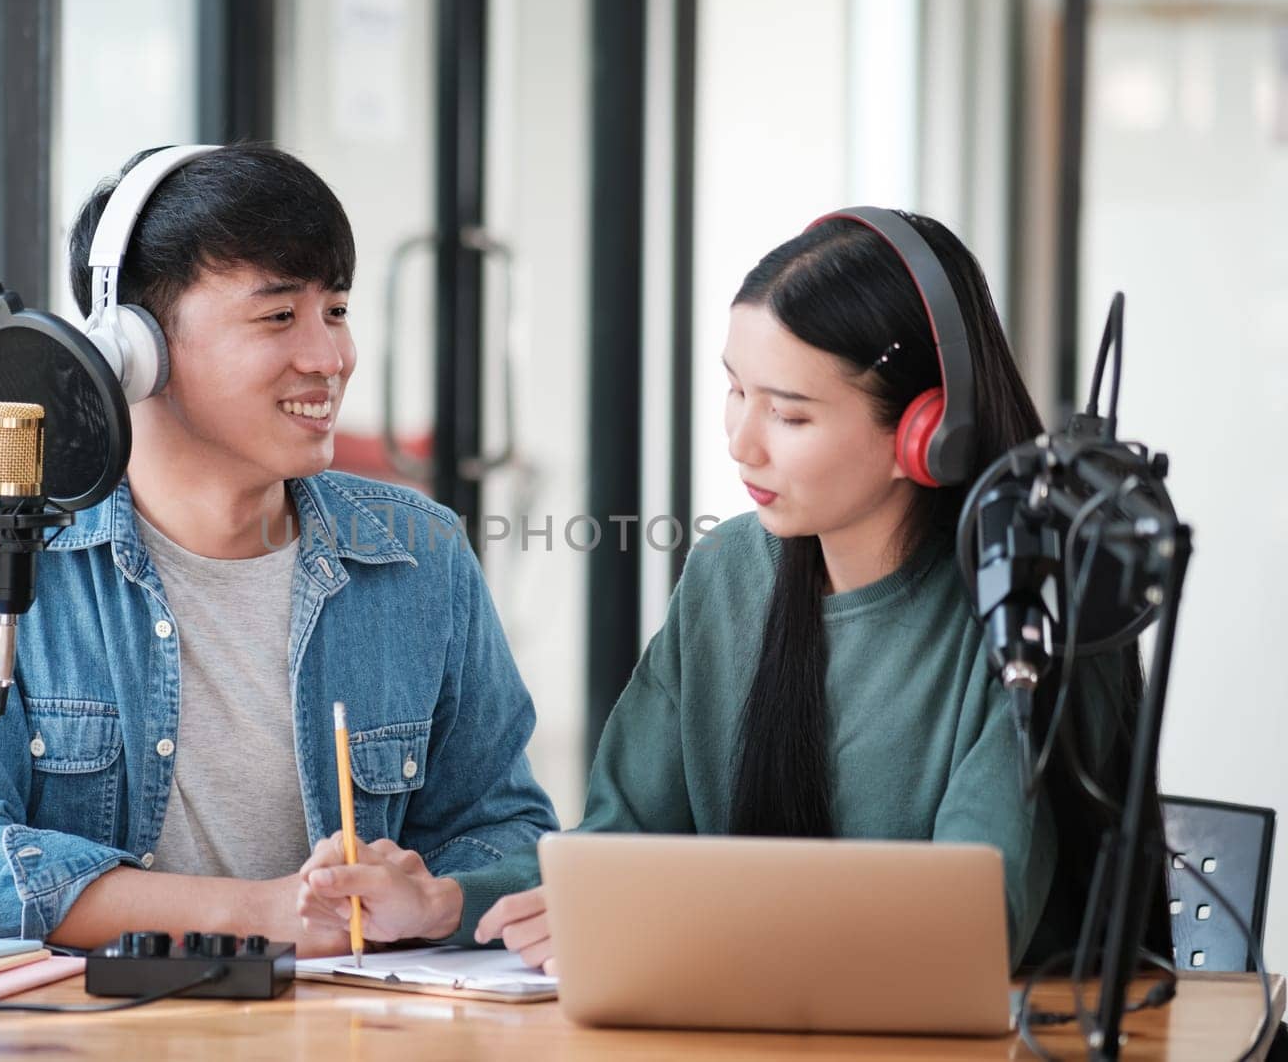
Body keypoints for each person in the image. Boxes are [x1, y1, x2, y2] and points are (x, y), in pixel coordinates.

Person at [296, 209, 1166, 972]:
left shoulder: (1027, 604)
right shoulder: (730, 574)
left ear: (925, 433)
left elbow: (974, 922)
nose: (741, 443)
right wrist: (448, 901)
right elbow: (621, 852)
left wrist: (672, 918)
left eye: (789, 414)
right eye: (734, 389)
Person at [0, 143, 557, 951]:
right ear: (134, 348)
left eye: (335, 310)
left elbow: (510, 832)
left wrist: (439, 898)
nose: (329, 358)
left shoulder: (420, 551)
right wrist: (259, 915)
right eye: (278, 316)